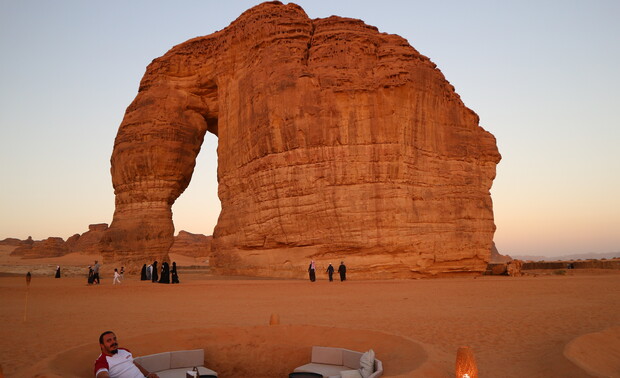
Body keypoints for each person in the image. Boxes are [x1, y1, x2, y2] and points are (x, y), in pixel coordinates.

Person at [95, 331, 159, 378]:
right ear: (102, 345)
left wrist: (148, 374)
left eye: (114, 339)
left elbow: (135, 364)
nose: (114, 342)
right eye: (109, 340)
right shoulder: (102, 361)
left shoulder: (124, 351)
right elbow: (102, 375)